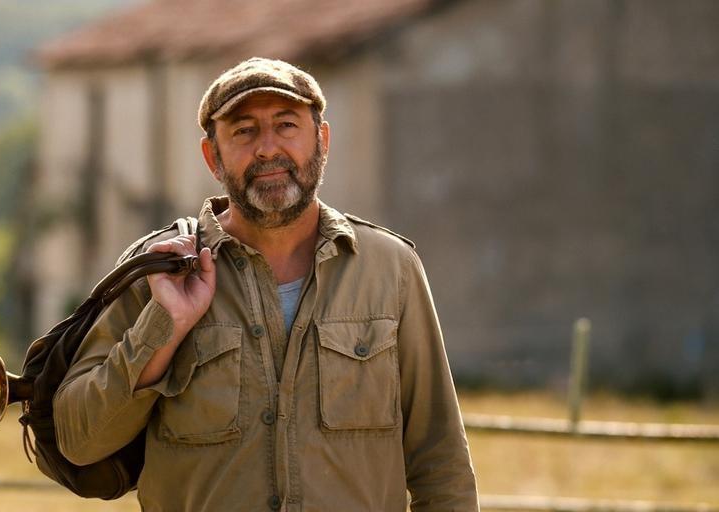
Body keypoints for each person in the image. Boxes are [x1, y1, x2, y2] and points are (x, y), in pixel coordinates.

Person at [54, 57, 479, 511]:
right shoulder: (156, 273)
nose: (267, 148)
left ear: (322, 140)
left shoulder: (391, 269)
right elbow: (79, 441)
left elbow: (442, 465)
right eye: (244, 130)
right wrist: (162, 327)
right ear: (212, 156)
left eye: (286, 125)